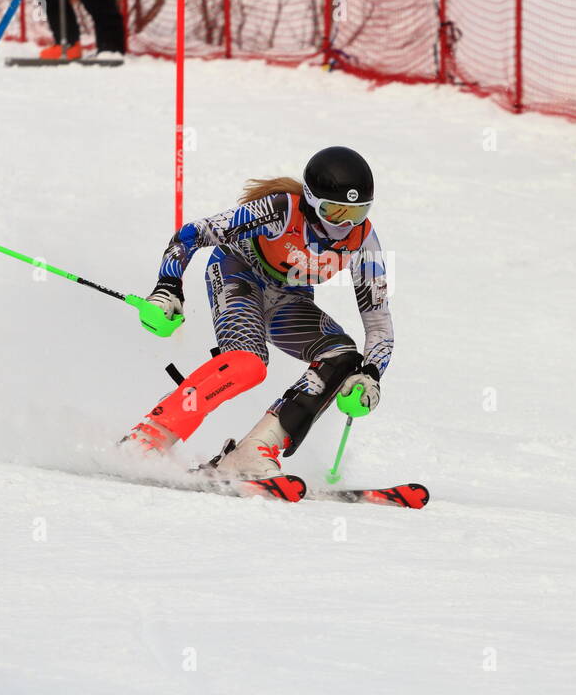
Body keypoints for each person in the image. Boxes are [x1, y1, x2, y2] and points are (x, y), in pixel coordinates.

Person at [123, 147, 393, 479]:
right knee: (248, 363)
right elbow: (191, 234)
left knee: (343, 357)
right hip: (239, 274)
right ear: (311, 201)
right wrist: (168, 287)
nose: (345, 226)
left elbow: (379, 324)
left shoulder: (365, 240)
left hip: (288, 299)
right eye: (334, 212)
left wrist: (370, 376)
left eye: (358, 212)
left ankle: (255, 450)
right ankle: (151, 435)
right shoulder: (279, 210)